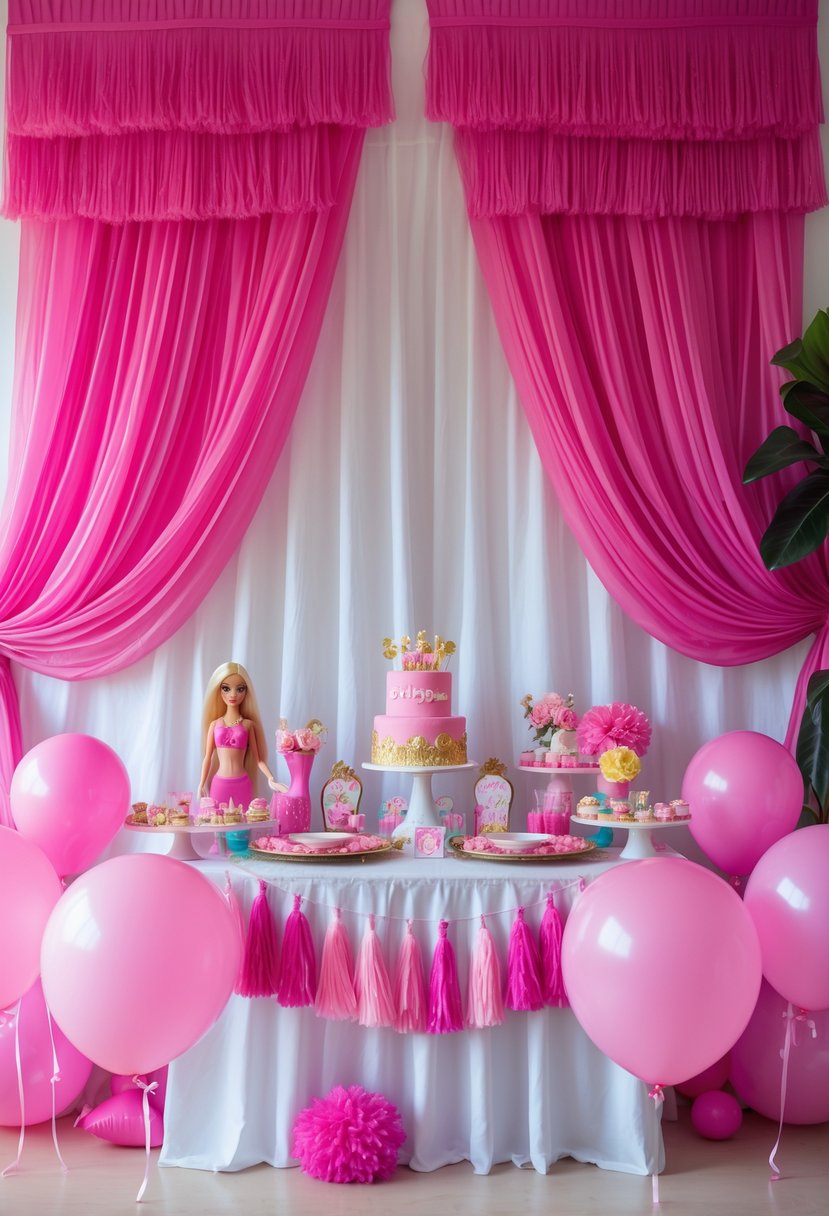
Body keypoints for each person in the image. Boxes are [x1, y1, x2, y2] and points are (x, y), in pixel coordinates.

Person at [198, 663, 280, 847]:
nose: (233, 694)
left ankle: (240, 855)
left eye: (240, 689)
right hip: (219, 783)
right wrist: (201, 783)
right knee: (219, 827)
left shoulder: (249, 725)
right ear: (218, 691)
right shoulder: (214, 724)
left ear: (246, 692)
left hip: (242, 782)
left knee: (242, 828)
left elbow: (258, 759)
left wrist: (270, 777)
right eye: (226, 689)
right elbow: (208, 757)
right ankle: (220, 856)